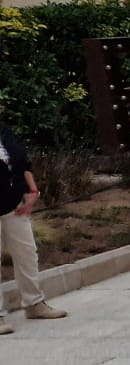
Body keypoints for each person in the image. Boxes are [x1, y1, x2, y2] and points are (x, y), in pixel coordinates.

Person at [0, 122, 65, 331]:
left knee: (27, 253)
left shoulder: (4, 130)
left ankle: (34, 304)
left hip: (14, 203)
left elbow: (22, 164)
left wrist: (32, 190)